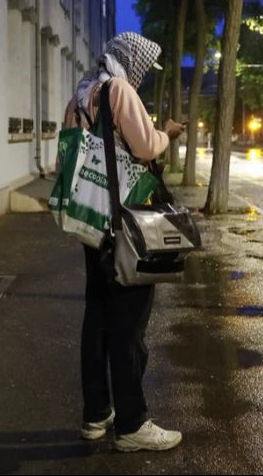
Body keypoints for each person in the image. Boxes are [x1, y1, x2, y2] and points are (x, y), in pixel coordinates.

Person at [61, 32, 186, 452]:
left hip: (90, 221)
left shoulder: (81, 95)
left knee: (96, 316)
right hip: (124, 223)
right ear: (132, 62)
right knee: (129, 324)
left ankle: (96, 415)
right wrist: (166, 133)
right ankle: (133, 425)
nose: (145, 76)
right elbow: (147, 146)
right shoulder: (120, 91)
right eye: (145, 68)